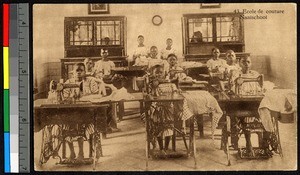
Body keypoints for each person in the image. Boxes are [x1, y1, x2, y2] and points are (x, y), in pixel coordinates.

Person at [62, 63, 103, 162]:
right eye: (77, 70)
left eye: (81, 70)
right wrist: (71, 98)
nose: (79, 73)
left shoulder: (91, 81)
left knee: (80, 127)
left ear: (85, 72)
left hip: (87, 113)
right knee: (65, 127)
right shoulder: (68, 82)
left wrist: (84, 97)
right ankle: (72, 152)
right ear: (73, 72)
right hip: (72, 113)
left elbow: (97, 95)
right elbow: (65, 98)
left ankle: (81, 152)